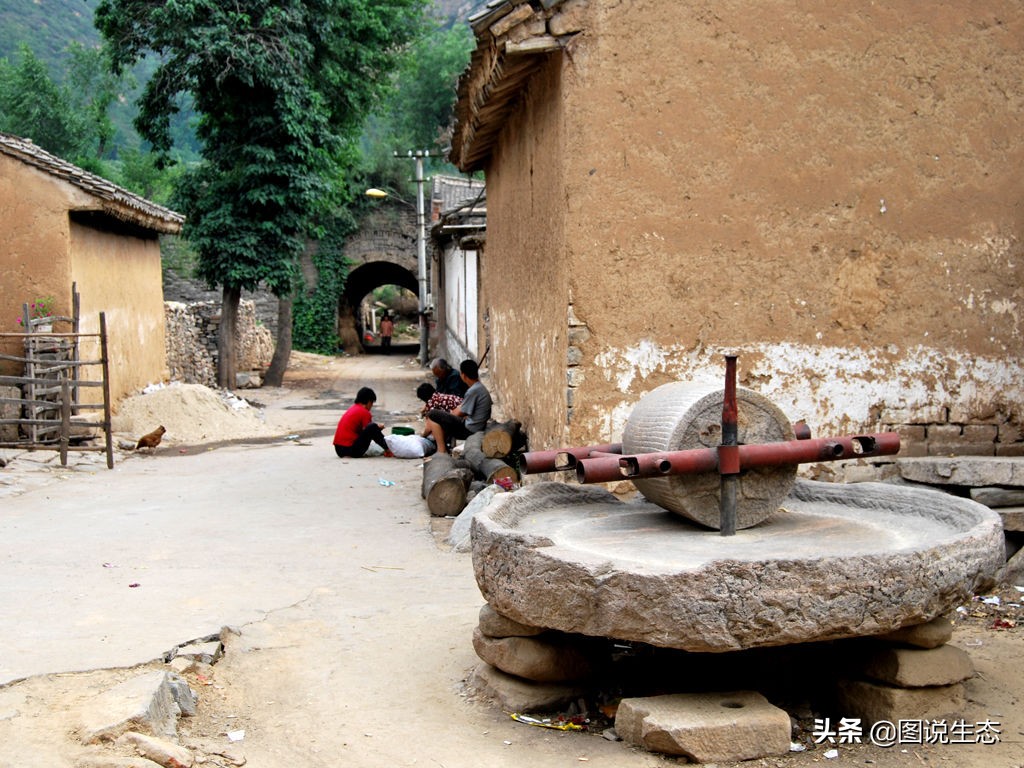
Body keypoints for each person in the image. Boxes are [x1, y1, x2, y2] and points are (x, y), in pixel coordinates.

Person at [421, 359, 492, 454]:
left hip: (470, 429)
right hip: (474, 425)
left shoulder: (473, 391)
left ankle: (441, 450)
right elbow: (461, 407)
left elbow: (459, 413)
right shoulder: (479, 388)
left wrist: (448, 415)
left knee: (433, 414)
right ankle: (444, 447)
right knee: (441, 415)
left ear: (463, 375)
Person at [333, 387, 392, 458]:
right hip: (350, 450)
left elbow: (363, 432)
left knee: (372, 427)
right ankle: (389, 449)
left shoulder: (353, 408)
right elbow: (370, 431)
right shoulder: (364, 412)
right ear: (369, 402)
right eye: (372, 403)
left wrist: (376, 429)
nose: (372, 406)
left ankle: (388, 448)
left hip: (339, 450)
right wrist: (377, 428)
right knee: (372, 426)